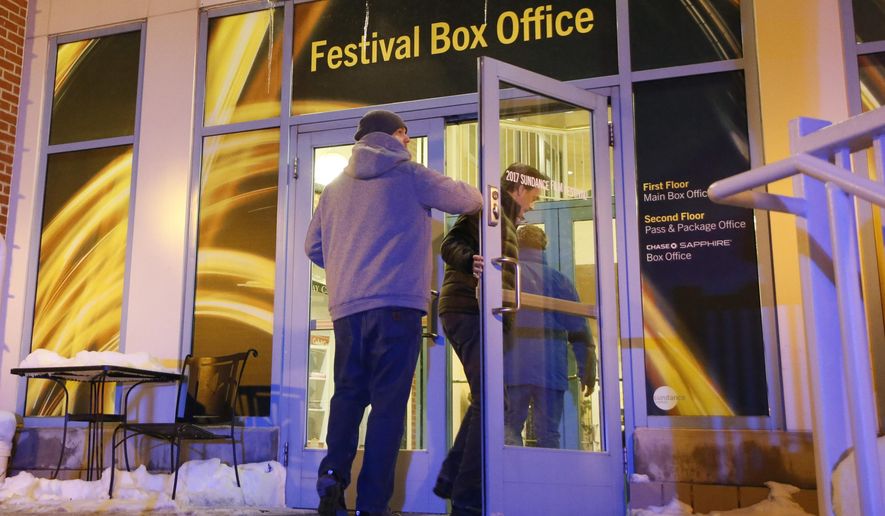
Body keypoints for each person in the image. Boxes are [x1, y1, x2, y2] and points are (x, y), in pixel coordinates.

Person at [305, 110, 482, 516]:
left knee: (347, 397)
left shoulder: (334, 189)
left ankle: (332, 479)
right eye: (406, 137)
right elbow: (470, 200)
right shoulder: (411, 174)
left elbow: (313, 248)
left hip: (348, 310)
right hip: (397, 309)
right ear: (399, 134)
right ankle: (371, 505)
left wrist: (350, 264)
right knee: (387, 407)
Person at [434, 163, 546, 516]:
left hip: (479, 312)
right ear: (519, 189)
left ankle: (453, 482)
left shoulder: (505, 220)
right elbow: (450, 244)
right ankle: (465, 499)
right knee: (493, 401)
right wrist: (473, 262)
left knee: (490, 399)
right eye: (534, 196)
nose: (534, 204)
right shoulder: (488, 210)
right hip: (467, 309)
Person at [503, 225, 597, 449]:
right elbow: (578, 329)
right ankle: (547, 480)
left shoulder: (507, 276)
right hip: (551, 370)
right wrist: (587, 370)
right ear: (543, 247)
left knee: (509, 431)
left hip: (513, 368)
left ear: (517, 245)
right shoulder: (559, 281)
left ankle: (513, 481)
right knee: (549, 434)